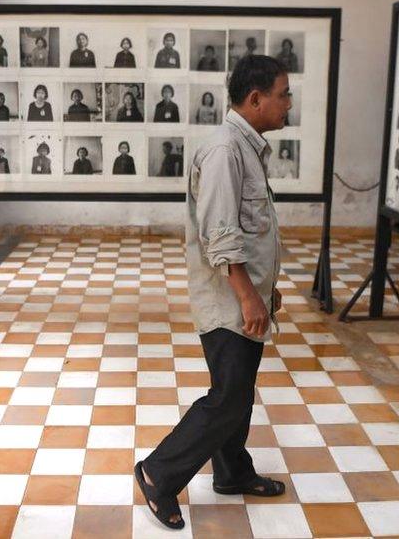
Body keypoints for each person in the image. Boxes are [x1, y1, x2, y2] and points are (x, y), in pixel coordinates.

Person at [137, 56, 291, 531]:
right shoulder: (226, 151)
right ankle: (158, 473)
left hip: (241, 294)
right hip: (227, 299)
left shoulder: (244, 148)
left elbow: (252, 231)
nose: (289, 103)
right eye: (284, 94)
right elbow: (221, 235)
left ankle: (230, 472)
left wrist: (265, 289)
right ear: (255, 99)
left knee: (238, 392)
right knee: (228, 398)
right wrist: (247, 296)